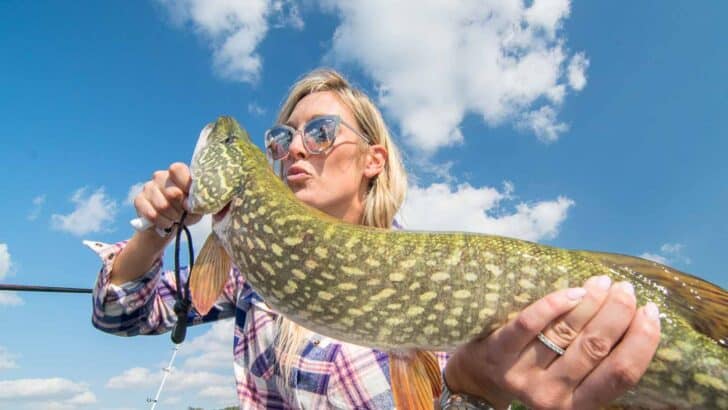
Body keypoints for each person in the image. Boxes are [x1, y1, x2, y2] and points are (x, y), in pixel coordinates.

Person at [91, 68, 661, 409]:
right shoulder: (248, 267)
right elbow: (120, 315)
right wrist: (156, 231)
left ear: (372, 160)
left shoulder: (432, 275)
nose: (292, 147)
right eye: (280, 136)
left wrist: (469, 393)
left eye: (319, 132)